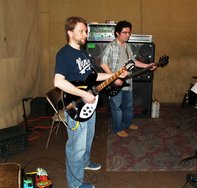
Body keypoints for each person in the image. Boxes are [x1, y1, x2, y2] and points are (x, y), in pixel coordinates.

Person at [54, 16, 127, 188]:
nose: (86, 34)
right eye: (81, 31)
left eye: (86, 31)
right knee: (76, 148)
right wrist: (83, 94)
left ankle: (85, 161)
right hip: (76, 106)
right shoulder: (64, 54)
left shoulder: (84, 52)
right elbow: (58, 82)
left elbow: (95, 76)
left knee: (88, 139)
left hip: (89, 104)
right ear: (70, 32)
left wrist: (115, 74)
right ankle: (75, 184)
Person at [101, 20, 157, 138]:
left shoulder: (127, 47)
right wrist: (113, 78)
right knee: (117, 108)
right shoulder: (110, 46)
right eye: (125, 32)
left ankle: (127, 123)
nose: (128, 35)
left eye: (129, 33)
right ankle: (117, 129)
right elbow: (103, 64)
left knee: (128, 106)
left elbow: (133, 62)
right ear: (117, 33)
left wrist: (147, 66)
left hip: (128, 82)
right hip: (115, 83)